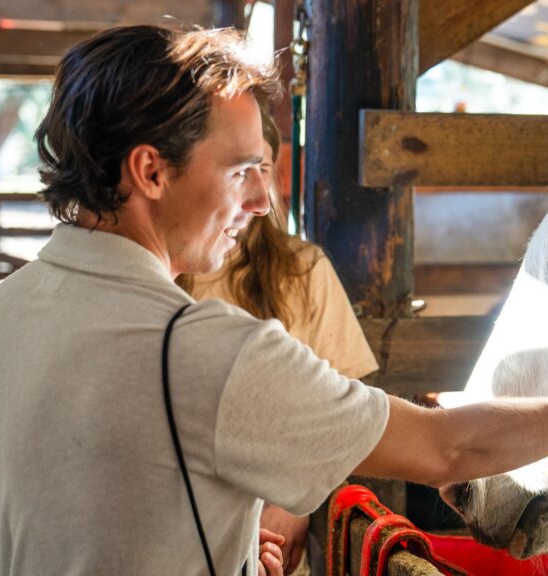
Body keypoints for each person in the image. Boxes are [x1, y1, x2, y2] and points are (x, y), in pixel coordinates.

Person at [0, 25, 548, 576]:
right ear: (150, 173)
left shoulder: (0, 318)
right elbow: (447, 452)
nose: (261, 201)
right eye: (240, 170)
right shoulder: (202, 349)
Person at [177, 107, 376, 574]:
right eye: (240, 171)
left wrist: (297, 503)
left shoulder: (303, 269)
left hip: (273, 528)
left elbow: (353, 410)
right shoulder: (165, 273)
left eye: (263, 168)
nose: (256, 193)